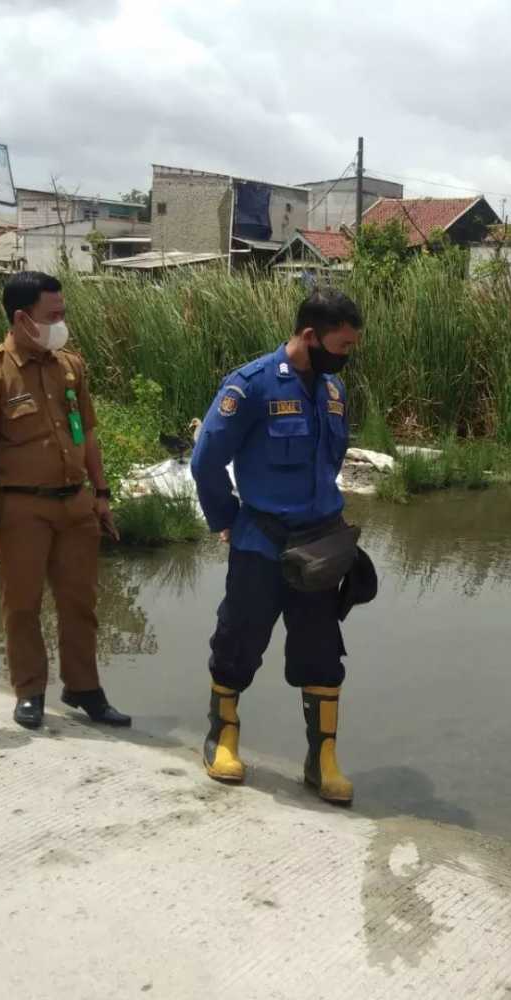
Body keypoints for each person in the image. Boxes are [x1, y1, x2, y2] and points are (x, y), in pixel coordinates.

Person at [190, 289, 363, 804]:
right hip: (260, 547)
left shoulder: (332, 391)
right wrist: (226, 518)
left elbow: (329, 461)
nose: (347, 354)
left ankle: (322, 759)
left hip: (319, 551)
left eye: (352, 345)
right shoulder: (250, 386)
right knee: (238, 642)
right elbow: (205, 462)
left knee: (322, 653)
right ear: (310, 336)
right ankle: (222, 738)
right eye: (342, 344)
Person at [0, 271, 130, 731]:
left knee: (81, 603)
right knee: (23, 604)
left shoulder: (69, 365)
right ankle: (29, 690)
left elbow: (87, 433)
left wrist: (102, 493)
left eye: (62, 314)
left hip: (75, 505)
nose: (61, 323)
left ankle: (84, 688)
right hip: (20, 508)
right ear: (21, 318)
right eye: (53, 315)